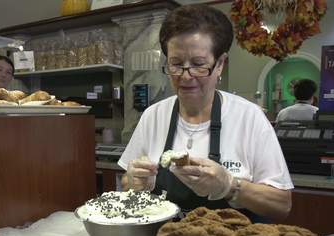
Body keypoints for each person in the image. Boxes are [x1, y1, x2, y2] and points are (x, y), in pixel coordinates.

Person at [118, 4, 293, 221]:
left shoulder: (249, 118)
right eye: (176, 64)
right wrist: (135, 183)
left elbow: (282, 204)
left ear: (220, 64)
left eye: (199, 64)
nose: (185, 75)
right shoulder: (153, 116)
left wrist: (230, 186)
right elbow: (126, 183)